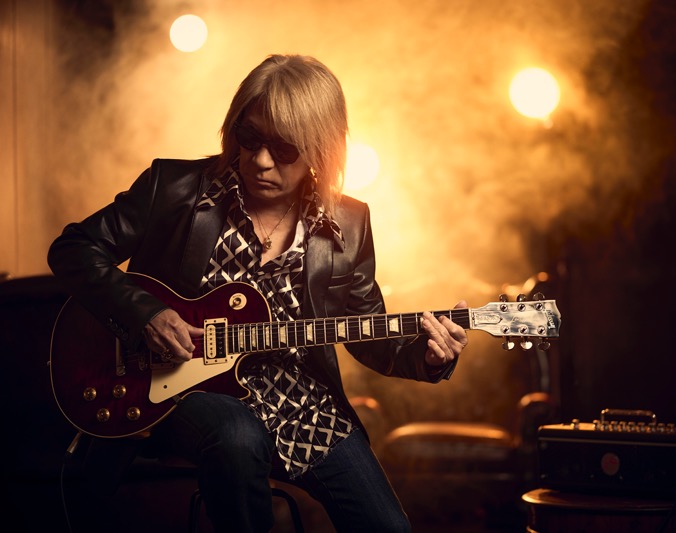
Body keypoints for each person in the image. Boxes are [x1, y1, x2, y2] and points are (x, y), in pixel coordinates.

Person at [48, 53, 468, 532]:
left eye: (284, 150)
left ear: (320, 150)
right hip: (179, 391)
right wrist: (145, 314)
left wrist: (428, 357)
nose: (261, 161)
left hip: (302, 403)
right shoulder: (176, 188)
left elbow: (372, 337)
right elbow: (74, 249)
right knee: (237, 435)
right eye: (250, 139)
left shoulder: (349, 223)